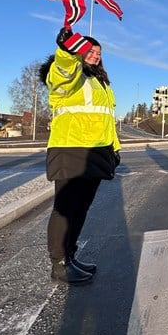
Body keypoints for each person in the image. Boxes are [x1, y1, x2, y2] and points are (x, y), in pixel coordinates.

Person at [39, 27, 121, 285]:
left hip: (97, 150)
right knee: (65, 208)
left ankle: (70, 256)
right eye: (89, 50)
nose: (95, 55)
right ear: (78, 51)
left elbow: (106, 119)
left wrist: (114, 149)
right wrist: (66, 51)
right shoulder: (68, 77)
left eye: (98, 51)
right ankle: (59, 264)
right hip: (71, 148)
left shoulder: (100, 82)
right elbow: (63, 72)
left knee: (81, 208)